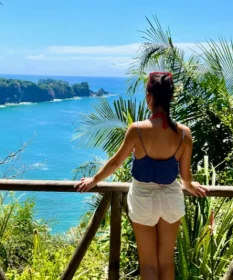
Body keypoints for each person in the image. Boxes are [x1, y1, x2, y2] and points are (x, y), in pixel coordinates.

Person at [74, 72, 208, 279]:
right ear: (171, 97)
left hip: (143, 198)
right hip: (171, 197)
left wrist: (94, 180)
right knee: (166, 262)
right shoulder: (184, 133)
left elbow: (116, 162)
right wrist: (191, 186)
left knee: (148, 265)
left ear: (149, 96)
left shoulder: (137, 130)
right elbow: (185, 178)